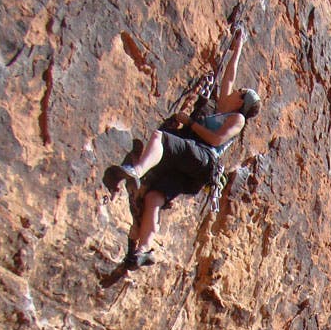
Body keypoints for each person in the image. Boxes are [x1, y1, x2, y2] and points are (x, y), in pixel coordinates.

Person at [104, 26, 262, 268]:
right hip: (193, 166)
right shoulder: (223, 106)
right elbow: (229, 75)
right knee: (155, 196)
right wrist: (238, 47)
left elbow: (217, 140)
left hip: (203, 158)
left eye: (239, 92)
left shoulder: (237, 119)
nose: (234, 89)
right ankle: (143, 250)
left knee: (160, 138)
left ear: (241, 101)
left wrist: (189, 122)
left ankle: (137, 171)